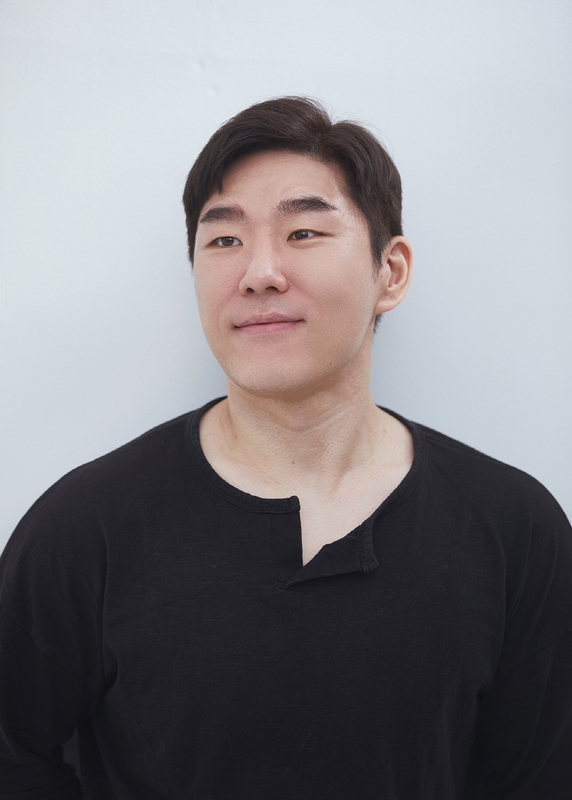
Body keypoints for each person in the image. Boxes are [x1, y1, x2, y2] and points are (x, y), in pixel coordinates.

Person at [1, 97, 571, 800]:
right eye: (223, 240)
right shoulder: (87, 527)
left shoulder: (514, 529)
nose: (259, 272)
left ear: (390, 271)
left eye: (303, 232)